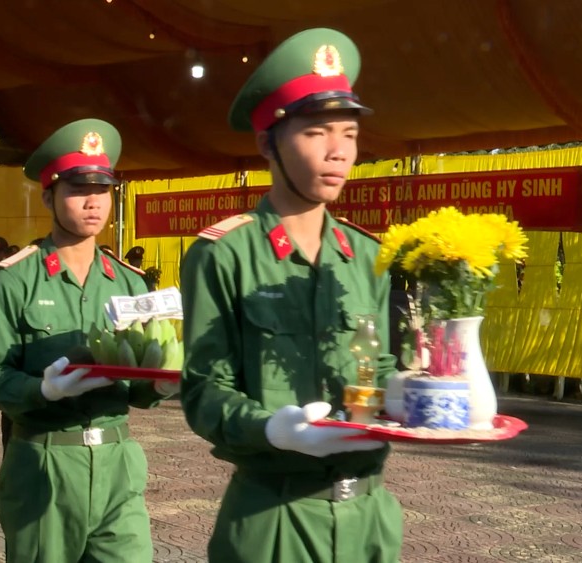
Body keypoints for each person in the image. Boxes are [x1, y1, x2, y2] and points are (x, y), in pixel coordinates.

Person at [178, 28, 403, 563]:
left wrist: (425, 390)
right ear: (267, 143)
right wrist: (270, 429)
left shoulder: (368, 255)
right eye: (317, 132)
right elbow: (204, 390)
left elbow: (384, 364)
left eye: (348, 134)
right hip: (273, 518)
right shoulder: (224, 254)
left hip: (370, 518)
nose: (338, 152)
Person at [0, 118, 177, 562]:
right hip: (44, 463)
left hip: (118, 463)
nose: (93, 202)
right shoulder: (15, 280)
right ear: (49, 195)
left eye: (102, 190)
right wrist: (43, 389)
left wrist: (163, 383)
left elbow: (140, 386)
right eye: (77, 189)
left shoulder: (129, 282)